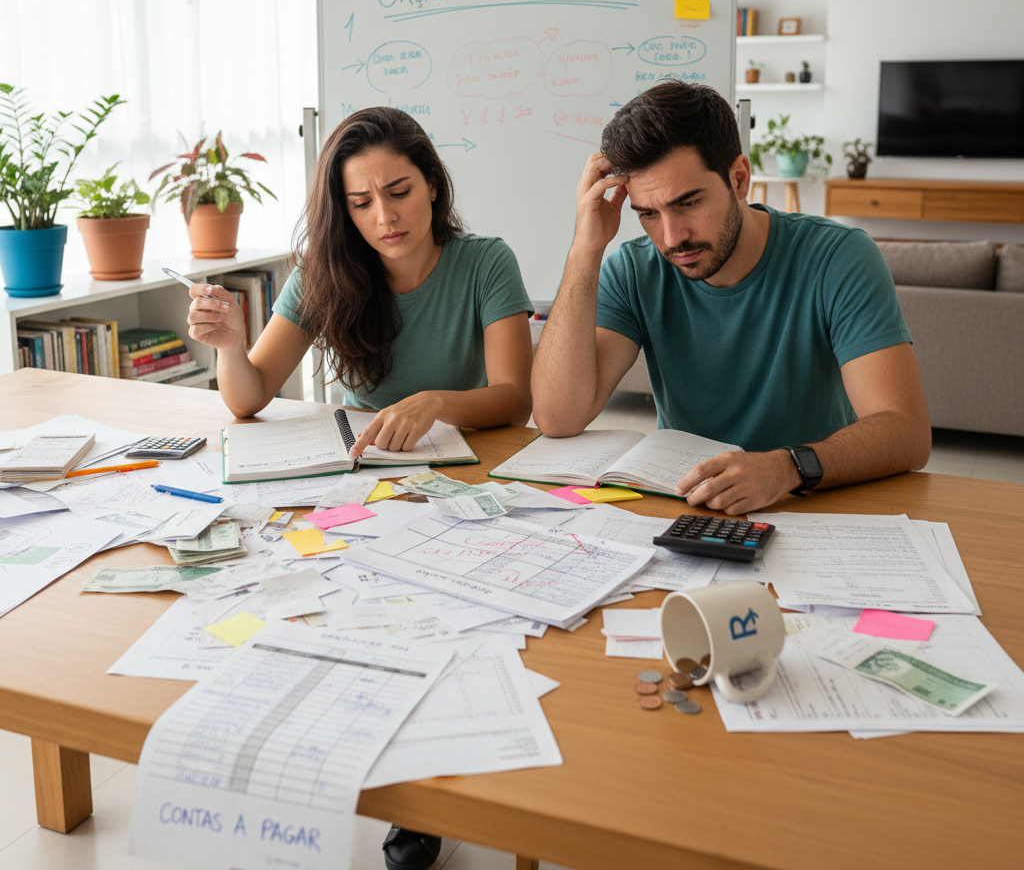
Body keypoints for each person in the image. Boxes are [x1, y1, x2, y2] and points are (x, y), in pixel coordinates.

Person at [186, 106, 534, 870]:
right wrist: (231, 347)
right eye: (361, 201)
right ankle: (380, 781)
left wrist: (441, 401)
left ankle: (433, 799)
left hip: (462, 485)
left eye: (400, 191)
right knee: (341, 616)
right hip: (362, 490)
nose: (385, 216)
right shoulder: (327, 273)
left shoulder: (485, 262)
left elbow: (516, 397)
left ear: (433, 186)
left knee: (446, 628)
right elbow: (248, 398)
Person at [532, 81, 931, 514]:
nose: (671, 237)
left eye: (687, 203)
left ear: (739, 178)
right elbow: (558, 417)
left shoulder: (838, 257)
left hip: (812, 499)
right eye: (648, 213)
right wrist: (585, 251)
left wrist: (786, 467)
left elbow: (905, 431)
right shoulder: (633, 269)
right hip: (691, 504)